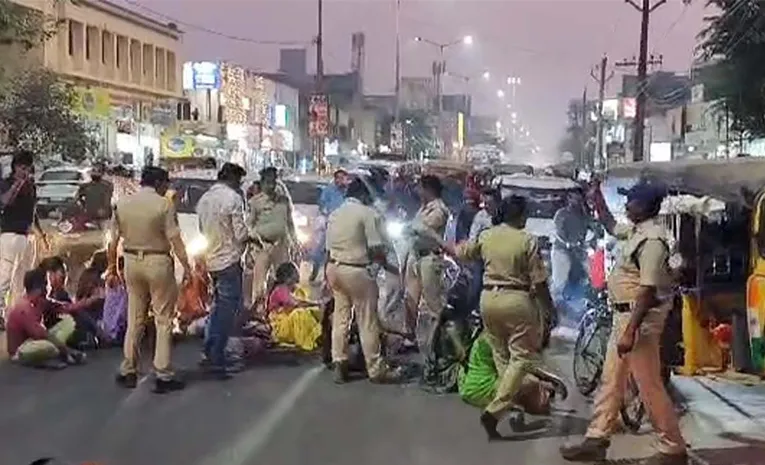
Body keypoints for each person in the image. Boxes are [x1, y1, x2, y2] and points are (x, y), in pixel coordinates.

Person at [560, 182, 686, 465]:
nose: (627, 206)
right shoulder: (637, 232)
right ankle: (596, 438)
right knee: (611, 381)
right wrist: (597, 199)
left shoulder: (653, 241)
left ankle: (673, 447)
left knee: (648, 385)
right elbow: (610, 225)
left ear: (647, 207)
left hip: (637, 321)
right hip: (625, 317)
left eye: (632, 202)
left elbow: (648, 290)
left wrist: (630, 330)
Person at [446, 195, 566, 440]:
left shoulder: (487, 235)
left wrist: (444, 243)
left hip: (488, 299)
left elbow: (463, 252)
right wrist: (549, 310)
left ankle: (510, 406)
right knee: (521, 358)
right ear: (520, 215)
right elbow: (540, 283)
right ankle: (495, 411)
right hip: (517, 301)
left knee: (502, 358)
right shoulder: (527, 240)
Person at [107, 166, 191, 394]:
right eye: (166, 184)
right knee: (163, 319)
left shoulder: (122, 204)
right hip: (158, 262)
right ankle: (163, 374)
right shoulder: (164, 204)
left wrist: (112, 269)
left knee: (136, 319)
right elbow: (175, 240)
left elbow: (113, 243)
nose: (167, 188)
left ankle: (128, 370)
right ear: (159, 183)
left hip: (131, 262)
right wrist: (187, 267)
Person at [325, 177, 403, 384]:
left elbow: (326, 248)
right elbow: (376, 247)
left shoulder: (335, 214)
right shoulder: (367, 214)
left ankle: (339, 362)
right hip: (356, 270)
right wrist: (388, 266)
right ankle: (376, 369)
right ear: (363, 195)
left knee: (341, 318)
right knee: (367, 320)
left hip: (334, 267)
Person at [196, 162, 249, 379]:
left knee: (217, 307)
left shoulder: (205, 198)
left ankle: (209, 351)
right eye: (240, 181)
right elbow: (240, 233)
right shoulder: (233, 198)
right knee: (226, 312)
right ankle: (216, 357)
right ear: (234, 179)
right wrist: (250, 237)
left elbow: (201, 229)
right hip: (228, 260)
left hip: (211, 260)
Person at [0, 150, 48, 330]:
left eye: (27, 167)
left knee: (22, 280)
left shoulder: (31, 187)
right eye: (22, 167)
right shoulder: (6, 183)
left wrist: (42, 235)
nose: (25, 171)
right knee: (4, 277)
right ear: (14, 167)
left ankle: (15, 315)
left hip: (26, 237)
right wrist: (17, 184)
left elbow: (32, 212)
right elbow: (5, 202)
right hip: (9, 235)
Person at [404, 175, 450, 352]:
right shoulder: (423, 208)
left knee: (433, 303)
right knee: (410, 299)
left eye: (420, 187)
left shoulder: (439, 209)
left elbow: (422, 229)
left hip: (430, 258)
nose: (417, 191)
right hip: (416, 256)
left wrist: (411, 227)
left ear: (428, 189)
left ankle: (437, 342)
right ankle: (409, 339)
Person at [5, 268, 84, 369]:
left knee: (69, 322)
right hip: (20, 350)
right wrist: (67, 350)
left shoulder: (40, 302)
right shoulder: (24, 307)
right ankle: (46, 359)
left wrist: (88, 301)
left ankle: (55, 354)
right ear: (39, 287)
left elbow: (64, 307)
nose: (49, 287)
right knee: (51, 347)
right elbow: (42, 334)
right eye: (46, 284)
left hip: (36, 340)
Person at [248, 167, 292, 312]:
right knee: (259, 282)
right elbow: (250, 226)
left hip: (281, 245)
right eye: (268, 182)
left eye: (273, 182)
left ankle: (280, 309)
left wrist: (294, 241)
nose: (271, 186)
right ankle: (258, 312)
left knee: (284, 280)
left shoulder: (284, 201)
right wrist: (255, 242)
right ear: (262, 183)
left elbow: (289, 223)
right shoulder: (255, 202)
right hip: (263, 247)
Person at [550, 192, 597, 321]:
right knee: (559, 281)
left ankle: (592, 309)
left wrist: (591, 241)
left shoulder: (584, 215)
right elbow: (558, 232)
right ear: (569, 198)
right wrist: (567, 243)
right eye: (573, 196)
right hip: (562, 250)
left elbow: (593, 228)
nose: (576, 199)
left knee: (594, 275)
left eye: (578, 196)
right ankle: (550, 310)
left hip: (579, 251)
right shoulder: (562, 214)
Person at [267, 262, 322, 351]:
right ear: (288, 277)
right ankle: (305, 341)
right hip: (280, 327)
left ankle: (318, 336)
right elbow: (296, 303)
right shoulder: (280, 289)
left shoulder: (294, 289)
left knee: (314, 312)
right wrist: (316, 303)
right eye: (295, 271)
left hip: (288, 321)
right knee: (299, 314)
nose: (298, 273)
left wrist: (316, 306)